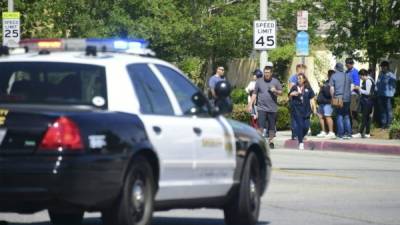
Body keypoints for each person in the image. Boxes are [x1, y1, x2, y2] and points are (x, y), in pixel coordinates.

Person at [248, 66, 283, 149]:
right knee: (261, 126)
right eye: (265, 72)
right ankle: (259, 141)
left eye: (268, 72)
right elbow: (254, 94)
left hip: (272, 108)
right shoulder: (259, 81)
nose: (266, 74)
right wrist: (250, 104)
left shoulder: (276, 81)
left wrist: (275, 91)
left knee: (271, 126)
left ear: (271, 73)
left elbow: (281, 93)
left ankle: (271, 141)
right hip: (261, 108)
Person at [288, 73, 315, 150]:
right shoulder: (294, 87)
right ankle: (301, 143)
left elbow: (312, 98)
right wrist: (292, 94)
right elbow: (289, 96)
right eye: (298, 78)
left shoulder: (308, 87)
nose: (298, 80)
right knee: (300, 126)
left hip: (306, 109)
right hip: (297, 109)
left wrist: (314, 108)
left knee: (306, 126)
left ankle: (301, 136)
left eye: (300, 78)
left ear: (304, 79)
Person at [330, 62, 353, 139]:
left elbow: (332, 89)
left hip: (338, 98)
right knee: (346, 115)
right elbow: (352, 87)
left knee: (339, 115)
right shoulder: (348, 75)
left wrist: (332, 97)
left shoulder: (334, 76)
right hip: (347, 98)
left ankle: (340, 134)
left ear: (336, 68)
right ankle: (348, 133)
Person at [352, 69, 374, 138]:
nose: (360, 78)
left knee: (364, 117)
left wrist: (359, 89)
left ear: (363, 75)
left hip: (367, 102)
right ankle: (367, 133)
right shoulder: (369, 80)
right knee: (367, 118)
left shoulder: (368, 81)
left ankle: (360, 133)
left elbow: (368, 92)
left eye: (360, 77)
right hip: (368, 101)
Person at [288, 64, 307, 139]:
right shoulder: (293, 78)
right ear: (297, 70)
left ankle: (301, 134)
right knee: (295, 119)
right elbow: (291, 89)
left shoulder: (304, 78)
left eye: (303, 69)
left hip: (302, 102)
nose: (302, 71)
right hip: (294, 101)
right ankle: (295, 135)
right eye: (301, 69)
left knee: (302, 118)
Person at [376, 61, 397, 128]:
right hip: (380, 95)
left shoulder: (391, 75)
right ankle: (383, 124)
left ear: (386, 67)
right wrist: (376, 91)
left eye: (383, 67)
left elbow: (394, 86)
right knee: (382, 110)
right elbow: (377, 84)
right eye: (381, 67)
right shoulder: (380, 74)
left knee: (388, 110)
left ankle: (389, 124)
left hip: (388, 96)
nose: (382, 68)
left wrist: (392, 94)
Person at [316, 70, 335, 138]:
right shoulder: (327, 82)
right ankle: (323, 131)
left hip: (327, 102)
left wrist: (323, 87)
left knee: (328, 116)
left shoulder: (332, 83)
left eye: (330, 75)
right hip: (321, 102)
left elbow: (328, 94)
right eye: (329, 75)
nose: (329, 76)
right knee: (320, 116)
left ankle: (331, 132)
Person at [345, 58, 360, 134]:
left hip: (353, 95)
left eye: (348, 65)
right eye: (346, 65)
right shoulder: (346, 72)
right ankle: (348, 129)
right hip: (346, 95)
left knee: (353, 112)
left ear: (352, 64)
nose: (347, 66)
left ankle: (355, 130)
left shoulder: (355, 72)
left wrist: (351, 86)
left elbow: (357, 84)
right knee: (347, 113)